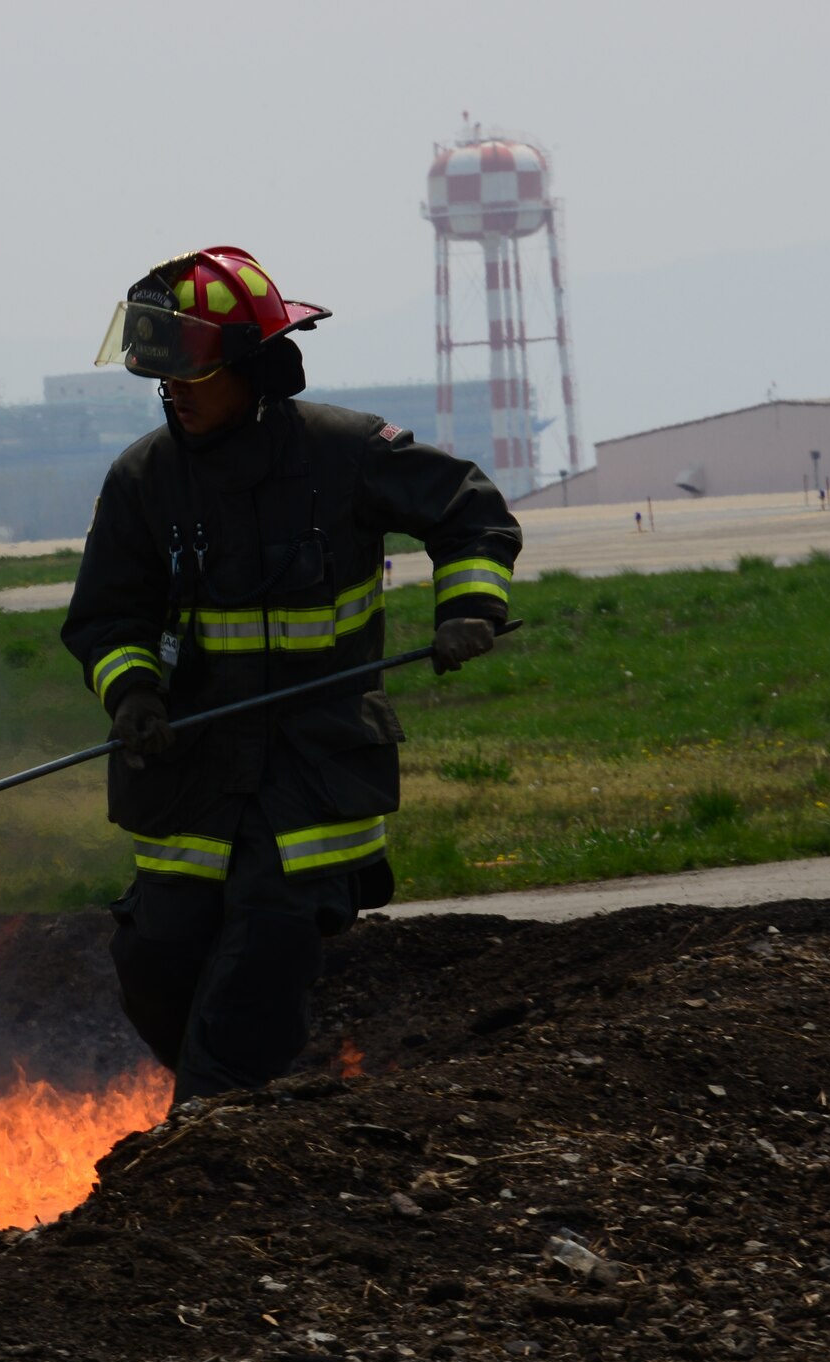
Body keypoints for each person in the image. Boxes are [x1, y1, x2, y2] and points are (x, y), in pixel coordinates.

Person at [61, 246, 521, 1111]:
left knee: (259, 958)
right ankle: (245, 1106)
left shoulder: (346, 454)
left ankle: (212, 1125)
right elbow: (104, 619)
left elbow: (471, 513)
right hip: (192, 781)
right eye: (159, 371)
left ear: (253, 363)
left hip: (311, 777)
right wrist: (132, 692)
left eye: (190, 368)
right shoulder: (144, 480)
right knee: (154, 962)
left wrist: (470, 608)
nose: (173, 389)